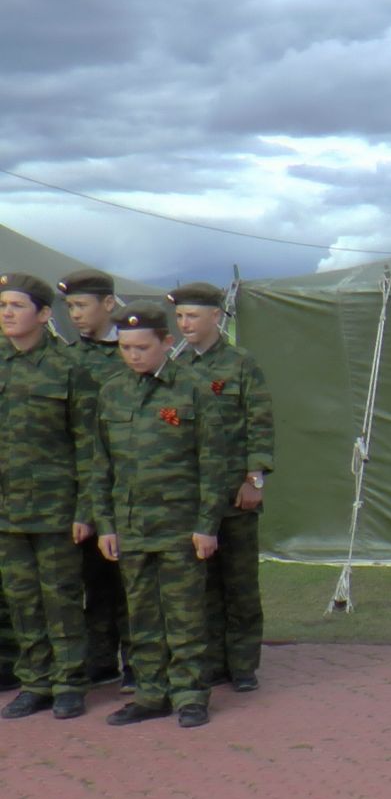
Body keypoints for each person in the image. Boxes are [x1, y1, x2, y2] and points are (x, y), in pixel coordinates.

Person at [91, 302, 222, 729]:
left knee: (184, 614)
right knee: (140, 615)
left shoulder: (194, 388)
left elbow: (214, 464)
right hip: (131, 527)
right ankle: (150, 694)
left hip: (180, 527)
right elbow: (101, 465)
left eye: (142, 347)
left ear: (166, 343)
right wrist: (105, 524)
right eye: (125, 347)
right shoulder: (112, 391)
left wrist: (207, 525)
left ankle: (189, 694)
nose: (133, 355)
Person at [0, 273, 98, 721]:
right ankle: (34, 682)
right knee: (21, 600)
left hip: (57, 508)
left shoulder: (69, 368)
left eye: (17, 306)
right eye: (2, 305)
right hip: (7, 510)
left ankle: (69, 683)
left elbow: (89, 445)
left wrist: (85, 509)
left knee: (60, 598)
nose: (6, 313)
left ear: (42, 314)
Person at [169, 282, 274, 694]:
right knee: (204, 587)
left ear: (216, 316)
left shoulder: (241, 364)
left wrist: (254, 479)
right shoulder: (176, 368)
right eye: (179, 317)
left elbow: (259, 423)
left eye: (192, 316)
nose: (185, 324)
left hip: (236, 493)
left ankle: (244, 663)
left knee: (240, 583)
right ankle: (213, 661)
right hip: (197, 499)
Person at [58, 269, 132, 692]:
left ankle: (138, 662)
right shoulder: (67, 359)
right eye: (69, 307)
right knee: (94, 581)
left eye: (82, 305)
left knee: (132, 581)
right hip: (83, 487)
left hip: (129, 484)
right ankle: (100, 660)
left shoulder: (131, 352)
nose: (75, 315)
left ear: (108, 304)